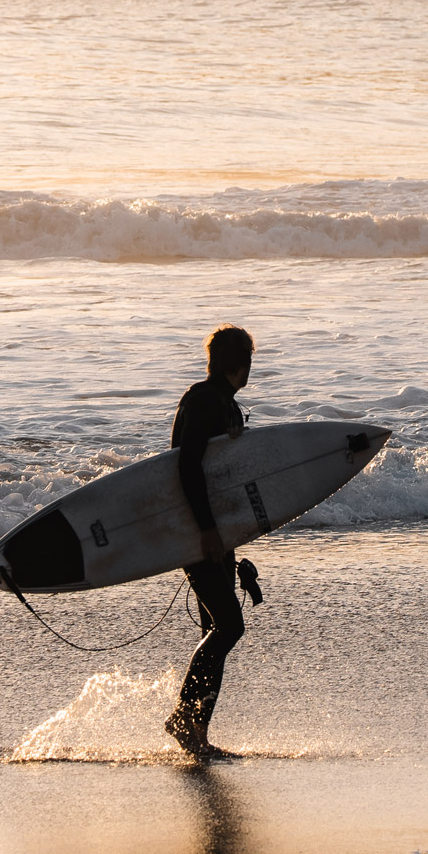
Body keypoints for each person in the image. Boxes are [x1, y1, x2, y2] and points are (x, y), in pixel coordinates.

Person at [164, 324, 263, 759]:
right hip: (198, 529)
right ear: (240, 364)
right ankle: (184, 719)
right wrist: (205, 532)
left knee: (215, 629)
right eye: (249, 362)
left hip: (217, 533)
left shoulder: (226, 405)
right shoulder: (203, 401)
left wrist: (233, 541)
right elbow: (187, 467)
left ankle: (196, 734)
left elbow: (228, 475)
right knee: (229, 626)